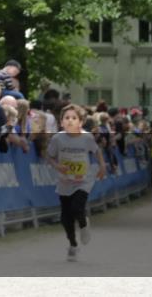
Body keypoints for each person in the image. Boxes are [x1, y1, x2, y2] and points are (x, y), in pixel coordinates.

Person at [46, 104, 106, 262]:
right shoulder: (57, 138)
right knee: (65, 217)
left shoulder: (87, 138)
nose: (70, 121)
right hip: (65, 181)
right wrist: (57, 165)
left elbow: (97, 151)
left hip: (83, 180)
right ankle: (73, 245)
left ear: (81, 122)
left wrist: (102, 165)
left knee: (77, 207)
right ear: (61, 122)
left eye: (74, 118)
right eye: (67, 118)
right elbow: (50, 156)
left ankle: (84, 223)